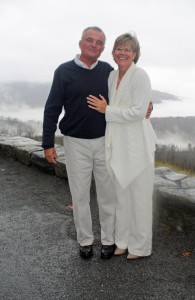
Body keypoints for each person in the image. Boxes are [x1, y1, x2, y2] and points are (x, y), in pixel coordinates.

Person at [42, 27, 153, 260]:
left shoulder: (107, 71)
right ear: (81, 42)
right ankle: (85, 241)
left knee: (108, 195)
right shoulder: (64, 71)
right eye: (90, 40)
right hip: (75, 142)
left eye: (99, 42)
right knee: (80, 194)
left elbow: (127, 94)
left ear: (103, 49)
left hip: (105, 141)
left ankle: (109, 240)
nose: (94, 45)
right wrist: (47, 143)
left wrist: (149, 105)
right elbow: (52, 108)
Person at [87, 33, 157, 260]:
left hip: (137, 144)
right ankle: (123, 241)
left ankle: (140, 246)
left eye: (128, 49)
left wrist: (107, 111)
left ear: (135, 54)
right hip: (118, 144)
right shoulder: (111, 75)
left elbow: (138, 111)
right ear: (113, 52)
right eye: (119, 48)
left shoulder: (140, 76)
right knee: (122, 197)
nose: (123, 53)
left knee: (139, 197)